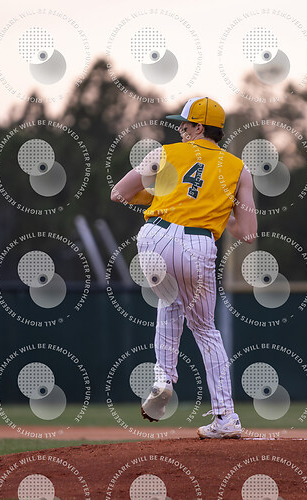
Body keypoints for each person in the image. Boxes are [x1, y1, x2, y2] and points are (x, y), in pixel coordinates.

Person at [111, 97, 257, 439]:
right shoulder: (239, 169)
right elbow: (248, 233)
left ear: (199, 127)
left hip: (154, 237)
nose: (180, 129)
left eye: (185, 124)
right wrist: (219, 212)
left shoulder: (165, 153)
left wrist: (160, 197)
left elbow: (119, 193)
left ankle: (163, 379)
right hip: (197, 244)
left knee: (169, 301)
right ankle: (225, 417)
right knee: (205, 330)